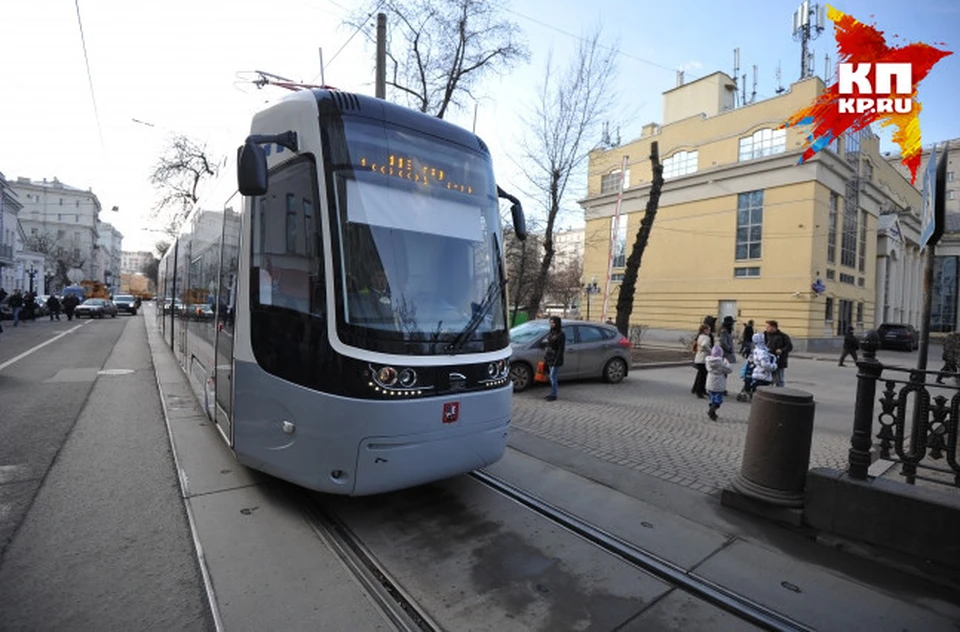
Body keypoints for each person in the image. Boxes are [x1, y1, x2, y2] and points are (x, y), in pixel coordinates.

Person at [705, 344, 733, 420]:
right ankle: (712, 410)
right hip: (719, 385)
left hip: (710, 384)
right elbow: (729, 370)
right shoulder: (721, 364)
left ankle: (713, 413)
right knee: (718, 400)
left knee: (712, 399)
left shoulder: (708, 362)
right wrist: (728, 363)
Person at [543, 316, 566, 401]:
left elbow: (561, 349)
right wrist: (546, 358)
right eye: (550, 322)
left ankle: (554, 394)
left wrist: (557, 361)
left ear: (557, 323)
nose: (551, 324)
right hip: (549, 357)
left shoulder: (561, 334)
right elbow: (548, 345)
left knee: (553, 376)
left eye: (553, 323)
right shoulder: (551, 332)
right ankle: (552, 393)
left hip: (556, 358)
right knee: (551, 376)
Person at [764, 320, 793, 387]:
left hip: (779, 360)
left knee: (780, 378)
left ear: (774, 327)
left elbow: (789, 347)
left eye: (768, 327)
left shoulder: (783, 336)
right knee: (768, 378)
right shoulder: (765, 335)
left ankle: (780, 391)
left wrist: (782, 350)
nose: (766, 328)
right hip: (768, 360)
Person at [691, 323, 712, 399]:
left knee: (701, 375)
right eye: (709, 330)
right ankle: (700, 392)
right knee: (702, 376)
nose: (710, 331)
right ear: (705, 330)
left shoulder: (700, 336)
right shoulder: (706, 338)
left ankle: (701, 390)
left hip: (699, 357)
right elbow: (704, 345)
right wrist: (711, 351)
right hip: (703, 358)